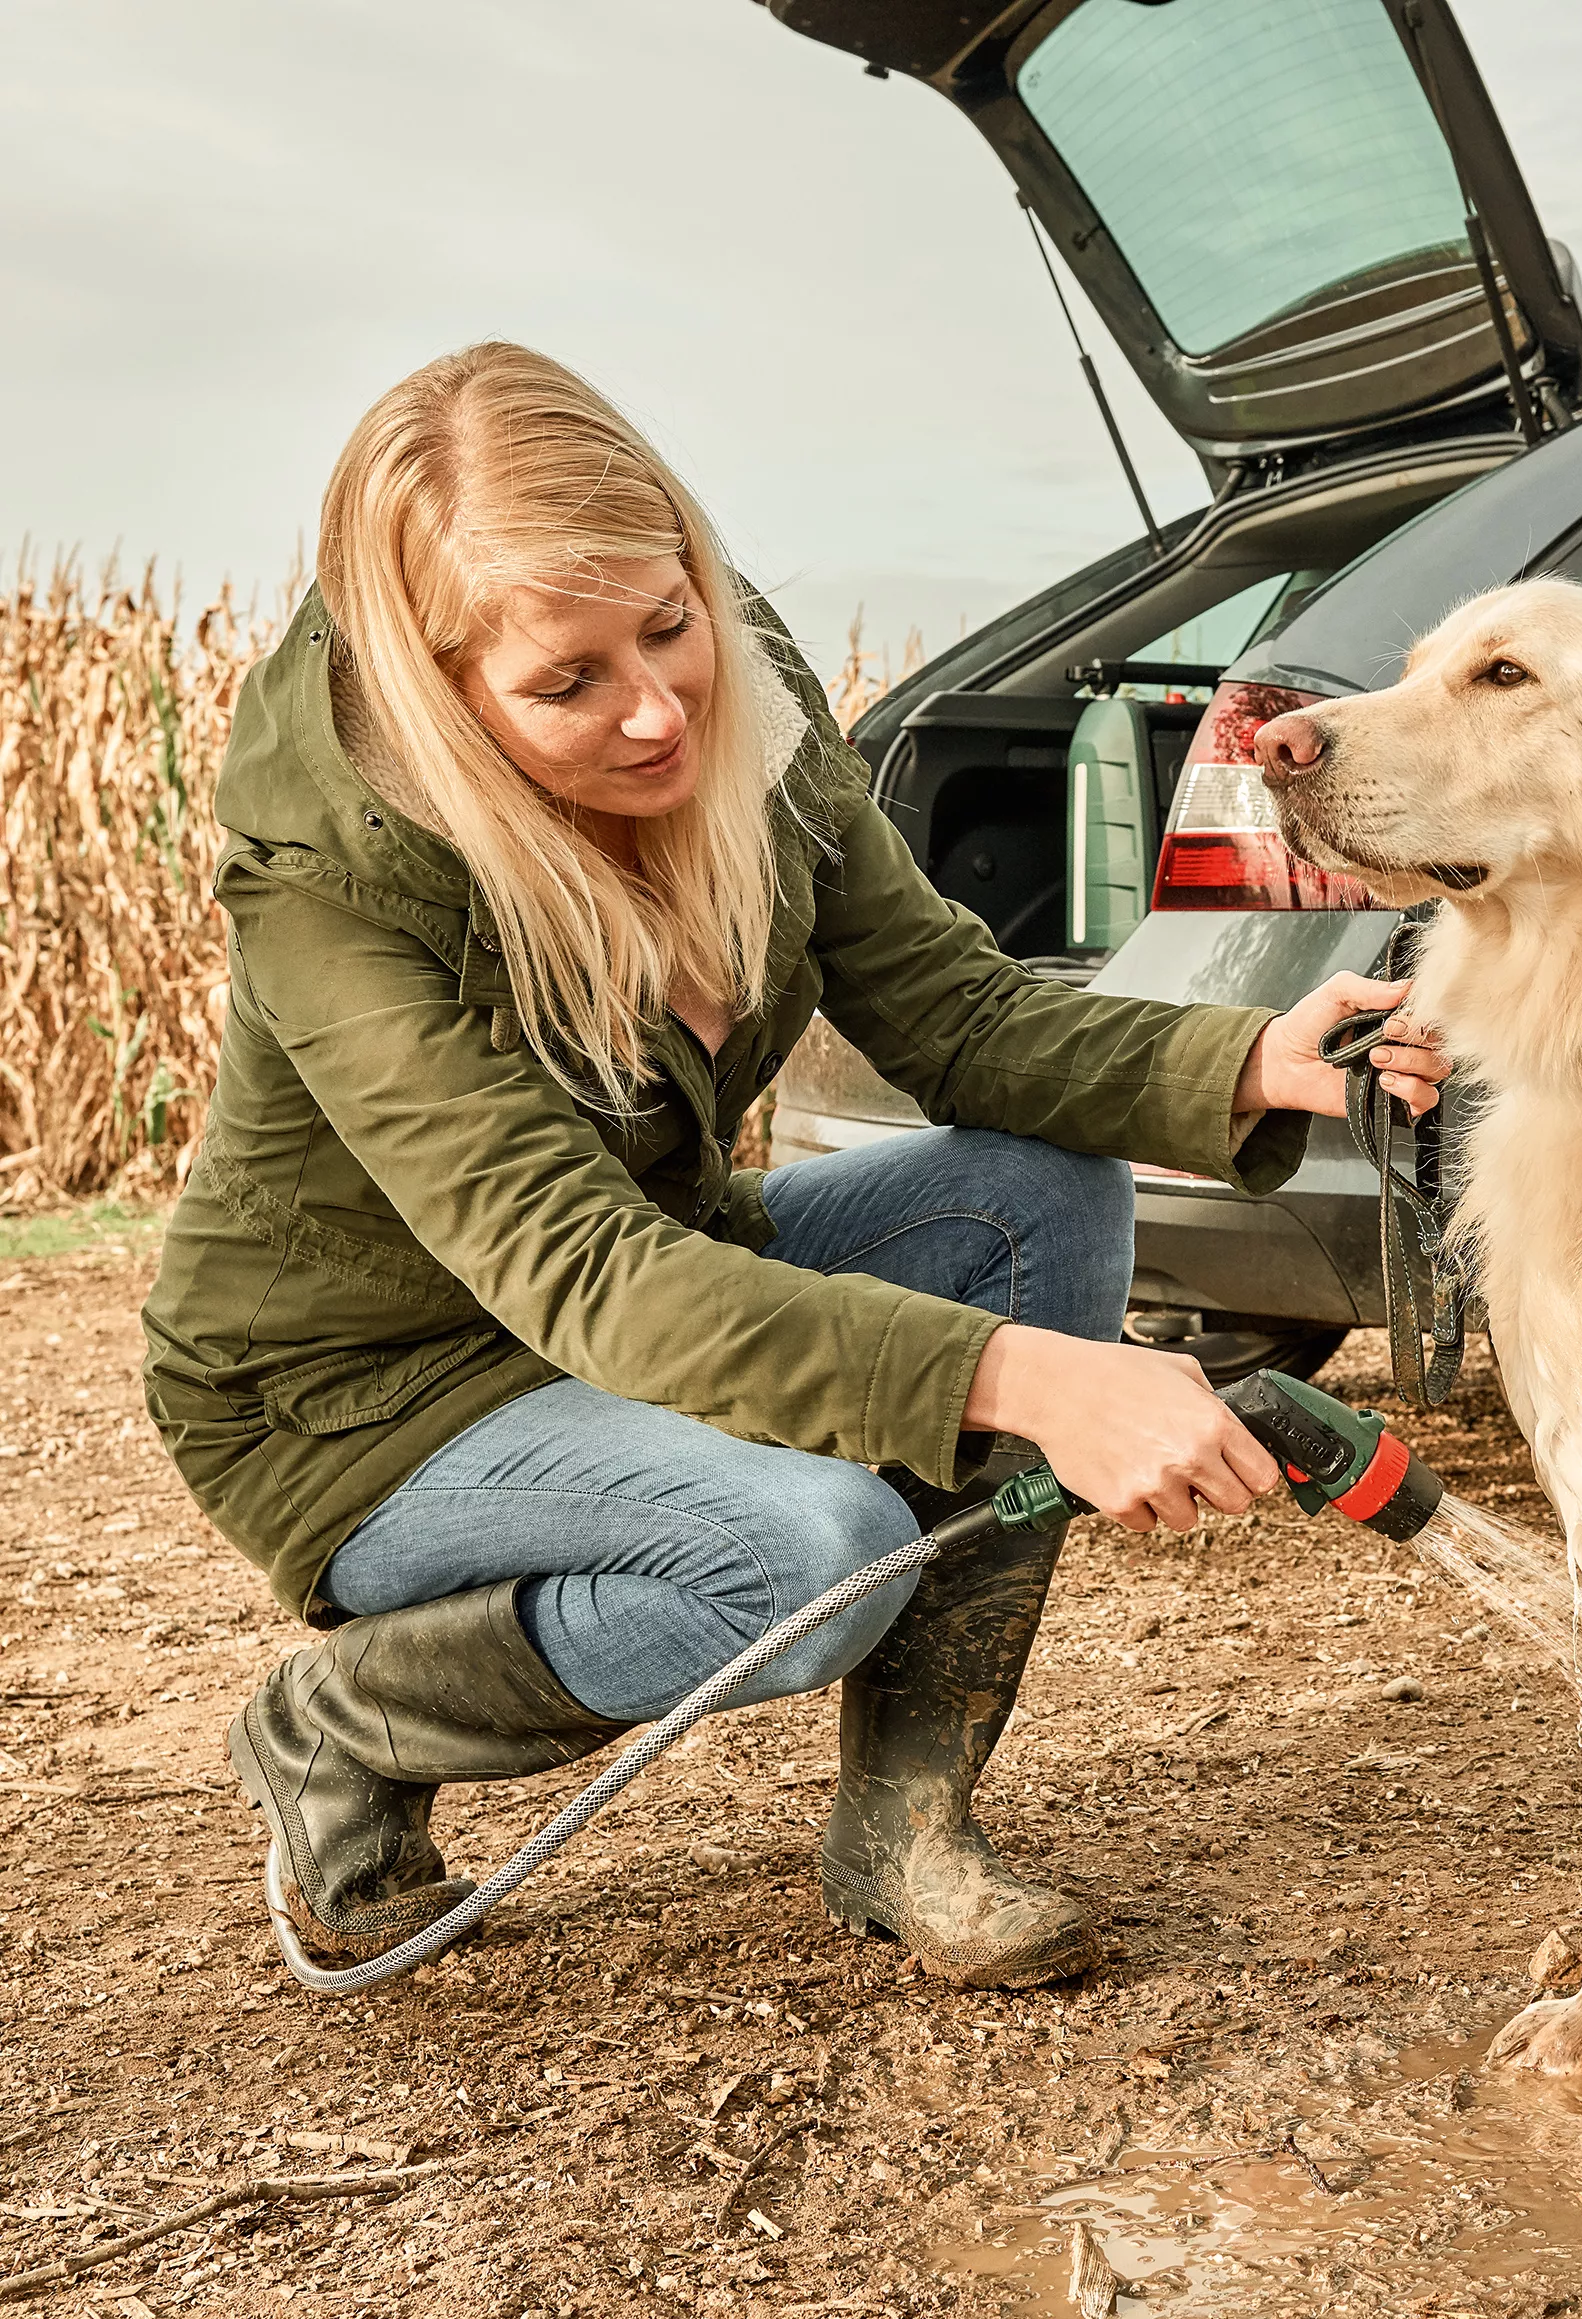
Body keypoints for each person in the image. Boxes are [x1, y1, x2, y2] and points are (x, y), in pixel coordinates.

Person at [141, 343, 1447, 1990]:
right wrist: (1036, 1382)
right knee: (808, 1554)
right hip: (365, 1397)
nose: (657, 708)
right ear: (438, 695)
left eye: (668, 624)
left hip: (642, 1278)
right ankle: (342, 1720)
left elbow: (961, 1017)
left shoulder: (745, 721)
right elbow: (592, 1278)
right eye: (567, 683)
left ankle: (906, 1827)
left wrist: (1253, 1061)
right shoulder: (338, 890)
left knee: (1044, 1196)